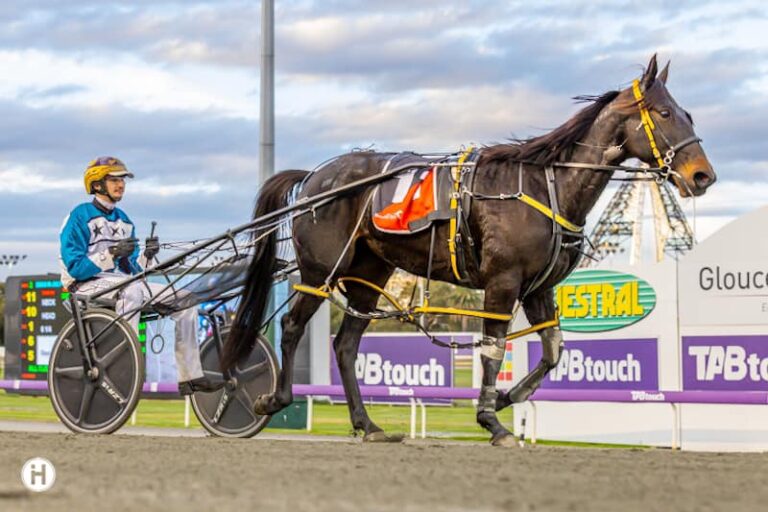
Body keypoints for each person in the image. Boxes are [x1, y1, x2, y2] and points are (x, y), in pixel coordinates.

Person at [59, 156, 222, 395]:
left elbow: (135, 271)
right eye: (114, 179)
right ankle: (127, 366)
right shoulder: (79, 216)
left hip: (120, 284)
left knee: (186, 299)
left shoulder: (125, 220)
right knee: (132, 290)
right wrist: (111, 253)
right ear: (96, 184)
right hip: (83, 286)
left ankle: (190, 376)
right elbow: (75, 267)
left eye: (122, 180)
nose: (121, 184)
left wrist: (147, 256)